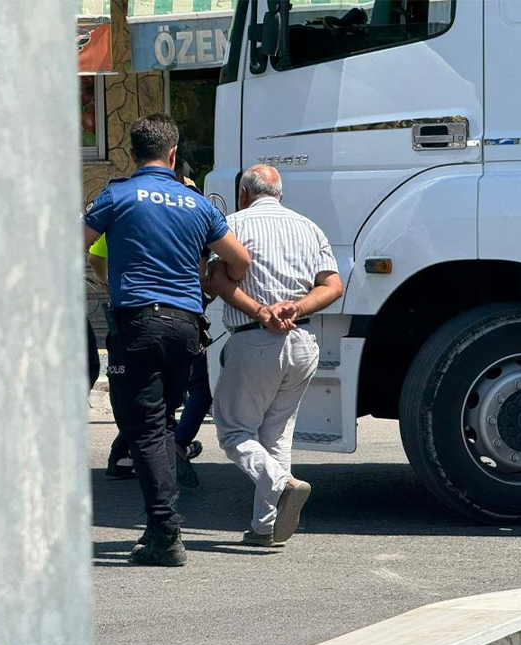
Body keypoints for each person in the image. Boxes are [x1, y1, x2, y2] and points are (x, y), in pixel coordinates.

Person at [83, 113, 251, 566]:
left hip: (138, 326)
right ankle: (159, 528)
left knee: (145, 432)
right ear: (173, 153)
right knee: (161, 427)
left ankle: (164, 533)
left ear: (131, 153)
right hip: (185, 329)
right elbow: (240, 259)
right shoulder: (197, 203)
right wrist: (217, 277)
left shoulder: (116, 195)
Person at [204, 164, 343, 547]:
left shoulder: (233, 224)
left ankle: (282, 485)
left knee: (235, 432)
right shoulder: (308, 226)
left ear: (244, 194)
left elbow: (217, 280)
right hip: (303, 341)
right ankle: (265, 527)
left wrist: (261, 311)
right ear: (280, 195)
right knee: (277, 434)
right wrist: (295, 308)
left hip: (254, 340)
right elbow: (333, 285)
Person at [90, 232, 212, 487]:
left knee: (142, 392)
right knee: (176, 393)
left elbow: (95, 257)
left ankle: (128, 455)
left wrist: (110, 284)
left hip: (130, 317)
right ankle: (168, 449)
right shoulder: (179, 224)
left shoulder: (125, 219)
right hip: (175, 318)